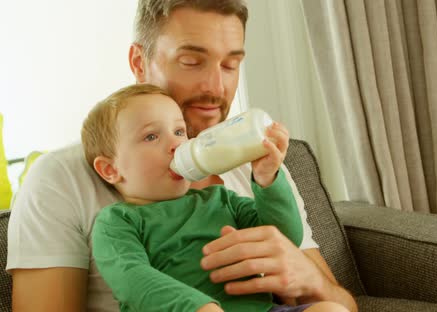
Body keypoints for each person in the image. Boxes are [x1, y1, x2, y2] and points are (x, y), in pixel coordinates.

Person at [7, 1, 358, 311]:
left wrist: (308, 277)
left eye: (230, 65)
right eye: (191, 61)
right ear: (139, 62)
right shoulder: (62, 179)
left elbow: (341, 304)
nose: (216, 88)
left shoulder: (255, 170)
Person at [83, 83, 346, 312]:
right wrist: (198, 307)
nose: (176, 145)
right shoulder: (117, 221)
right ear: (110, 169)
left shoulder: (220, 199)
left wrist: (267, 180)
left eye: (179, 132)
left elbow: (284, 237)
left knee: (332, 310)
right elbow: (132, 279)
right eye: (151, 136)